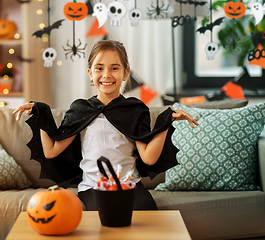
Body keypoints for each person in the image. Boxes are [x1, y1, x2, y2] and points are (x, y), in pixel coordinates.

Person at [14, 40, 198, 210]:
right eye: (99, 68)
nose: (106, 75)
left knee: (147, 218)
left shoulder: (135, 109)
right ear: (90, 73)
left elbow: (149, 158)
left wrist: (165, 121)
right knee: (108, 220)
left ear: (126, 73)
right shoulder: (80, 109)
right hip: (93, 188)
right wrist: (42, 113)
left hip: (130, 186)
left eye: (114, 68)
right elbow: (51, 151)